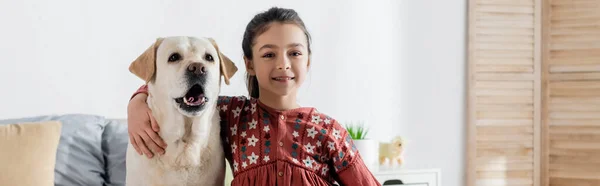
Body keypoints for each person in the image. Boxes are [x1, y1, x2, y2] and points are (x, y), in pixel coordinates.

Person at [127, 7, 381, 186]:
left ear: (309, 61)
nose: (283, 64)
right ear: (249, 64)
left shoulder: (329, 131)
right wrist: (136, 103)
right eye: (269, 54)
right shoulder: (233, 115)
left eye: (294, 53)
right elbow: (178, 93)